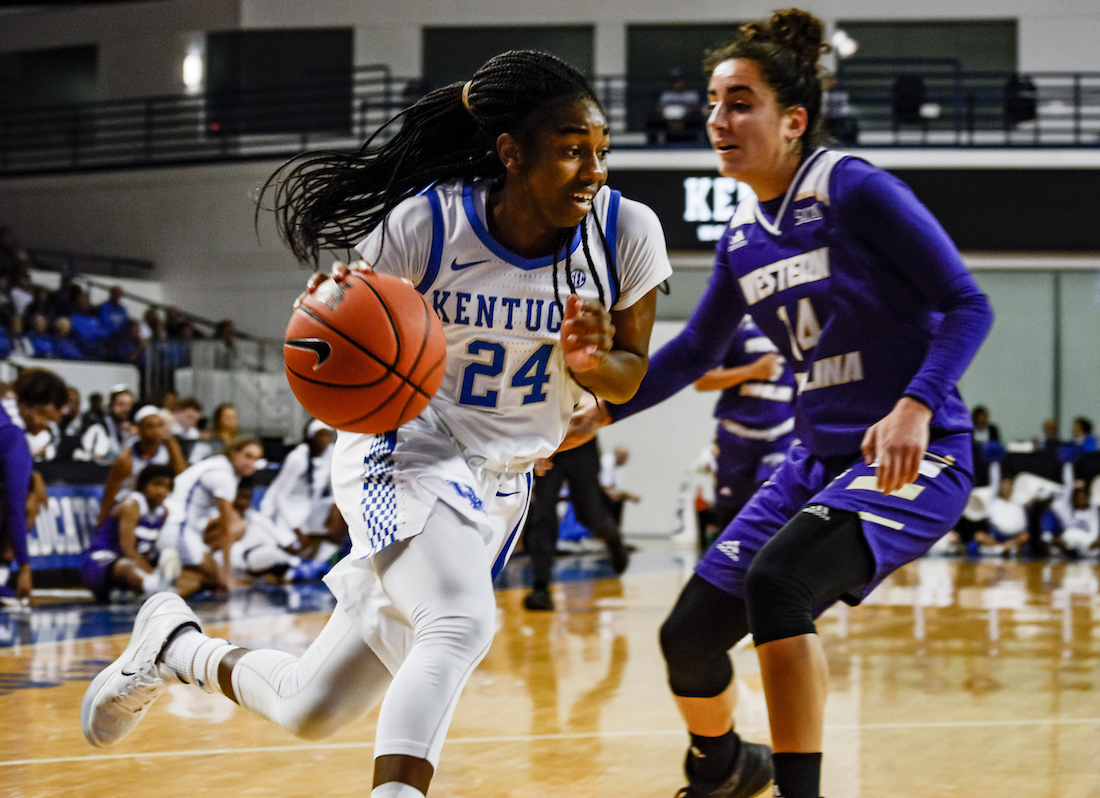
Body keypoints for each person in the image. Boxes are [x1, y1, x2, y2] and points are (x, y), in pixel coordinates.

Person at [81, 50, 671, 798]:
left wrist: (591, 364)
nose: (593, 169)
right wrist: (332, 316)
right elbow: (342, 340)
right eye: (571, 150)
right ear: (511, 153)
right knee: (459, 626)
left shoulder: (626, 232)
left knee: (311, 706)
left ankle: (174, 647)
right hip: (402, 448)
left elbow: (631, 368)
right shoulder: (426, 225)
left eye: (600, 151)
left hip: (501, 488)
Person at [566, 12, 992, 797]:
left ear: (792, 121)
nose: (717, 120)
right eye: (713, 104)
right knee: (688, 638)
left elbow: (968, 304)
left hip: (916, 456)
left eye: (739, 102)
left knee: (779, 584)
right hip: (812, 463)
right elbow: (694, 353)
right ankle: (729, 766)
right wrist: (601, 410)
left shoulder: (854, 189)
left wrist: (915, 405)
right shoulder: (741, 238)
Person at [693, 314, 797, 543]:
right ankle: (726, 575)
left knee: (776, 512)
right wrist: (752, 371)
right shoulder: (734, 324)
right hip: (735, 439)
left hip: (780, 437)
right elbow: (701, 381)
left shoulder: (800, 321)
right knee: (730, 521)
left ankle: (771, 575)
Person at [0, 368, 68, 605]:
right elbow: (14, 509)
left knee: (28, 495)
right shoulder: (12, 435)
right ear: (37, 407)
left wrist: (33, 476)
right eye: (47, 418)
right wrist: (25, 566)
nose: (46, 427)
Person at [522, 433, 630, 611]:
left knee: (589, 514)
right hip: (550, 440)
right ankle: (540, 589)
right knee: (543, 515)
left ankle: (613, 540)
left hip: (581, 440)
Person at [162, 436, 263, 597]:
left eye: (256, 459)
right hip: (178, 529)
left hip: (178, 528)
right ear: (234, 453)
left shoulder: (216, 464)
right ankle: (157, 589)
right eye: (248, 456)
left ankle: (177, 572)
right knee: (217, 580)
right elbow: (226, 529)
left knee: (239, 526)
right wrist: (226, 574)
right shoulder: (223, 476)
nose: (251, 463)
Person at [80, 463, 177, 601]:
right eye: (156, 484)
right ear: (144, 485)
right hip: (99, 565)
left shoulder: (163, 513)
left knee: (188, 576)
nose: (161, 491)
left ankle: (132, 592)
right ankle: (156, 588)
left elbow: (146, 553)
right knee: (129, 565)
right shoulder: (132, 505)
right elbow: (128, 551)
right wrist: (152, 573)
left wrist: (149, 569)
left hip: (127, 569)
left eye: (166, 487)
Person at [257, 419, 341, 561]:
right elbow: (279, 497)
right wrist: (296, 529)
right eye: (321, 435)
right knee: (289, 551)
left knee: (344, 511)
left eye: (327, 435)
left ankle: (319, 562)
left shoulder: (330, 454)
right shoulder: (297, 458)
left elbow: (336, 489)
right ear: (311, 437)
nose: (325, 440)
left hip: (310, 508)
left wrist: (334, 507)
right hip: (286, 511)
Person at [96, 405, 188, 523]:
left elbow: (183, 477)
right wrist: (102, 522)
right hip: (131, 499)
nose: (156, 431)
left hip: (157, 501)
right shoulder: (126, 457)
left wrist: (174, 448)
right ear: (139, 429)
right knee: (134, 503)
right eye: (150, 426)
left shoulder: (167, 448)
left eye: (160, 426)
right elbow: (110, 492)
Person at [647, 68, 705, 144]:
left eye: (680, 81)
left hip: (686, 120)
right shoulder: (666, 95)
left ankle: (699, 142)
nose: (678, 84)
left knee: (697, 118)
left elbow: (697, 108)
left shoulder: (692, 95)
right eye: (675, 82)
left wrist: (685, 113)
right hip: (668, 120)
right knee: (653, 119)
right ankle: (653, 145)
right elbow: (660, 108)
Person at [79, 387, 135, 464]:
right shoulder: (98, 422)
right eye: (121, 404)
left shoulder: (131, 426)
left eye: (129, 405)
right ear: (111, 404)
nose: (126, 409)